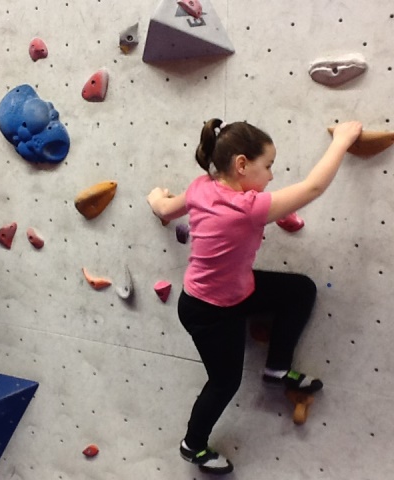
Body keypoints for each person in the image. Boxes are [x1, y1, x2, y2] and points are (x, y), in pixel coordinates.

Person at [147, 119, 362, 475]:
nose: (272, 176)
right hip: (209, 311)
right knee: (224, 381)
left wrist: (155, 196)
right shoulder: (248, 207)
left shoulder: (202, 186)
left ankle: (277, 368)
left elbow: (166, 209)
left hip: (235, 290)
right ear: (242, 164)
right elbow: (312, 188)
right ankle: (193, 445)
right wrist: (341, 140)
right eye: (269, 166)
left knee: (300, 290)